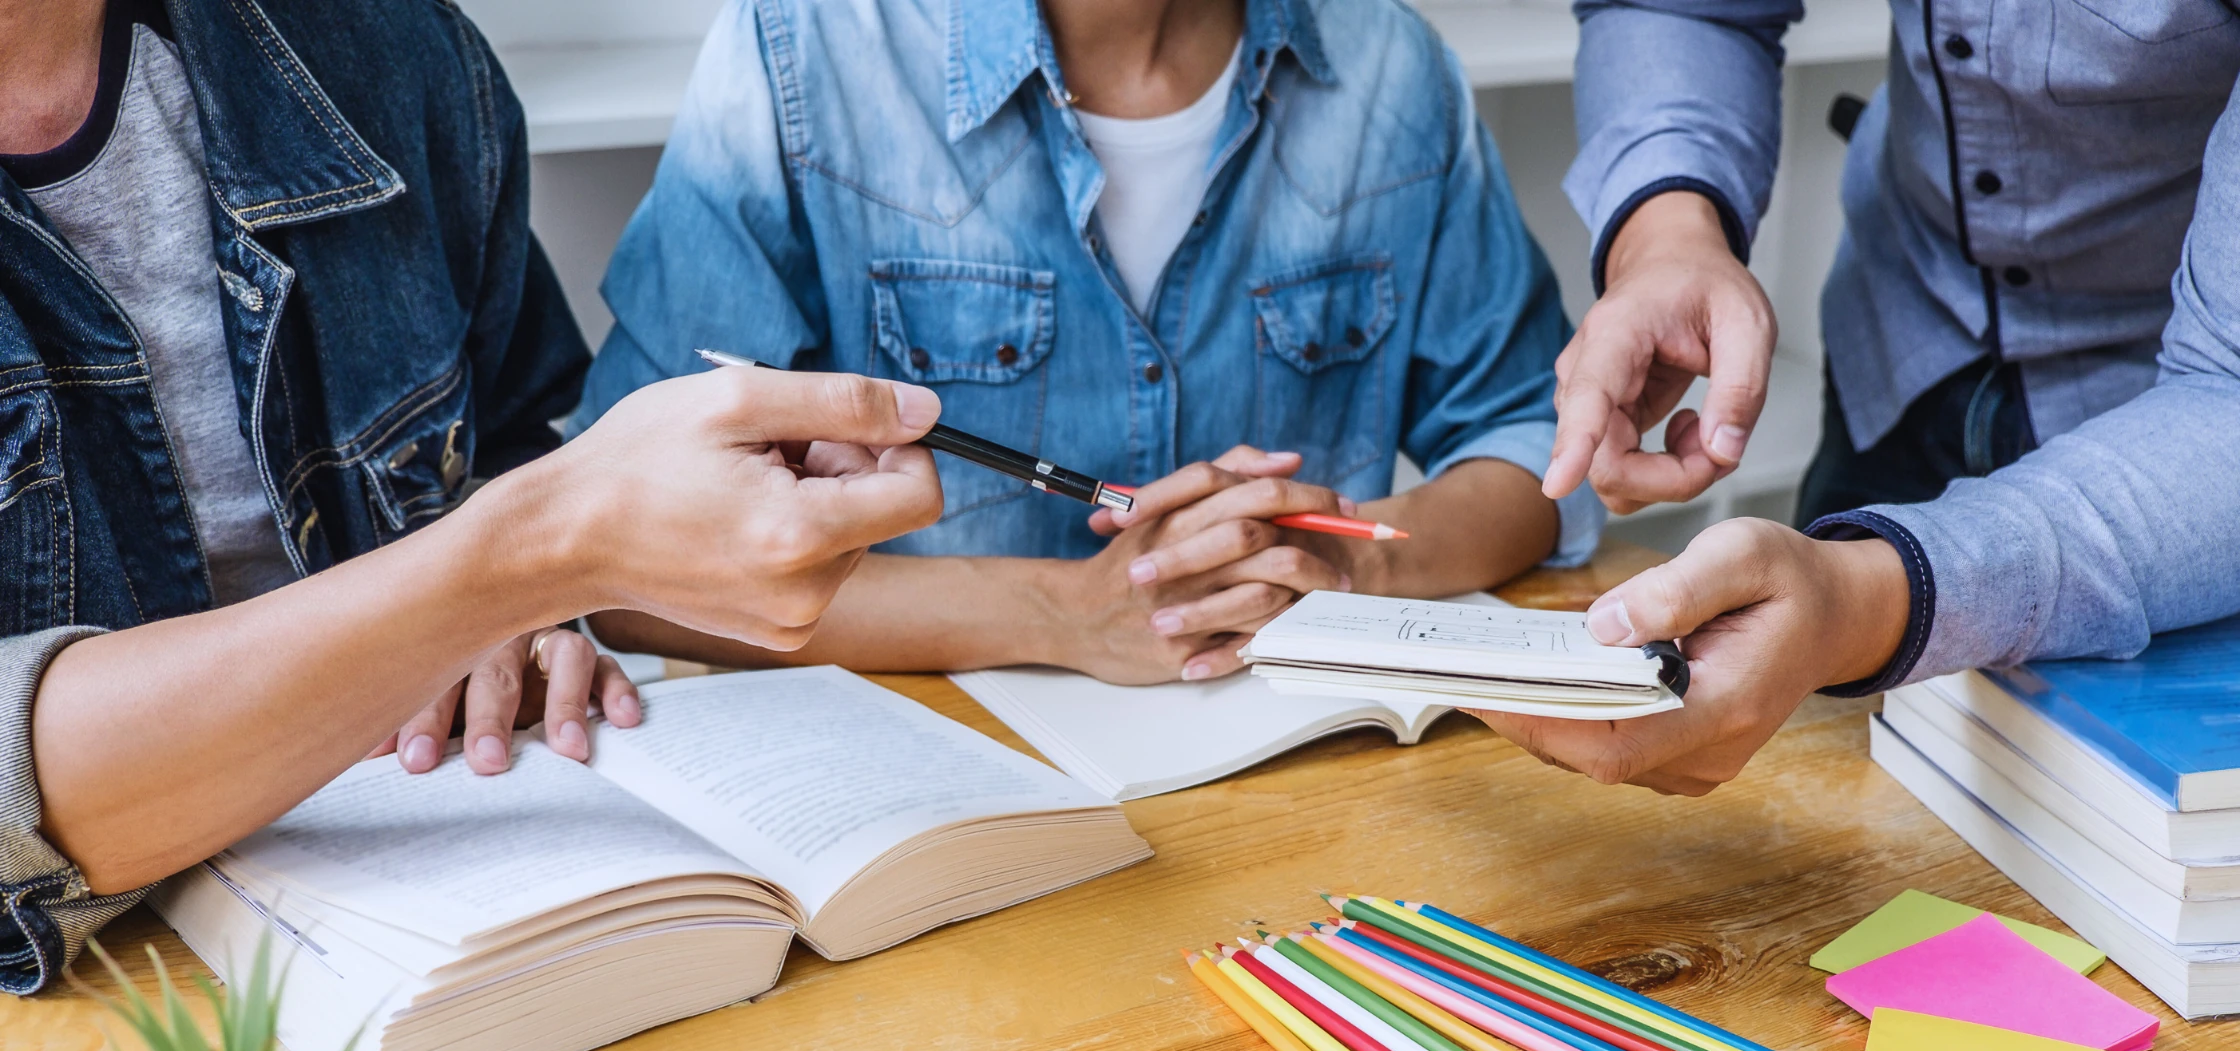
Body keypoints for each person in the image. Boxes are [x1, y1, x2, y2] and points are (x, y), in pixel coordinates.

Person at [0, 0, 946, 995]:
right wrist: (515, 563)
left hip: (446, 929)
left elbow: (502, 440)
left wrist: (525, 623)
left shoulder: (394, 54)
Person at [574, 0, 1602, 685]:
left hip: (1294, 764)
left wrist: (1330, 567)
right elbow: (629, 564)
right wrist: (1058, 613)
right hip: (941, 792)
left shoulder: (1389, 63)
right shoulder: (801, 46)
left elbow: (1531, 446)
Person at [1461, 1, 2240, 793]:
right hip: (1896, 351)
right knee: (1825, 790)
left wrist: (1865, 602)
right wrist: (1666, 237)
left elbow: (2231, 386)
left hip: (2184, 480)